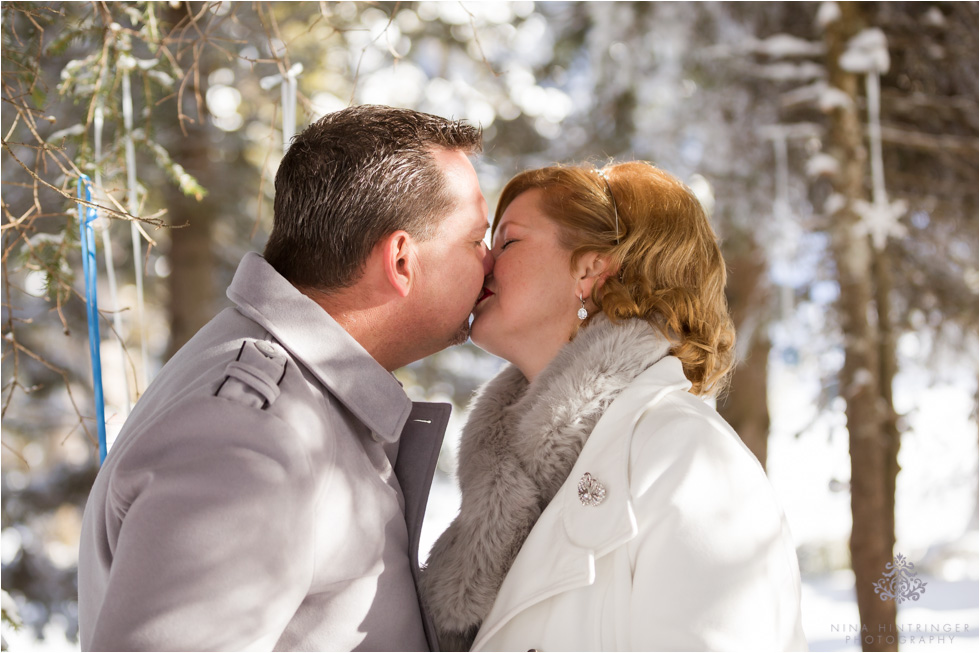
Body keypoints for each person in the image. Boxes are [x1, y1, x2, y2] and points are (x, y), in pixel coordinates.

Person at [78, 105, 493, 651]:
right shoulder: (248, 432)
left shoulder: (295, 399)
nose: (489, 263)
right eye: (475, 240)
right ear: (400, 260)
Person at [420, 162, 808, 651]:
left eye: (508, 241)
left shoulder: (687, 454)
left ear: (590, 268)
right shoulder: (509, 482)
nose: (484, 263)